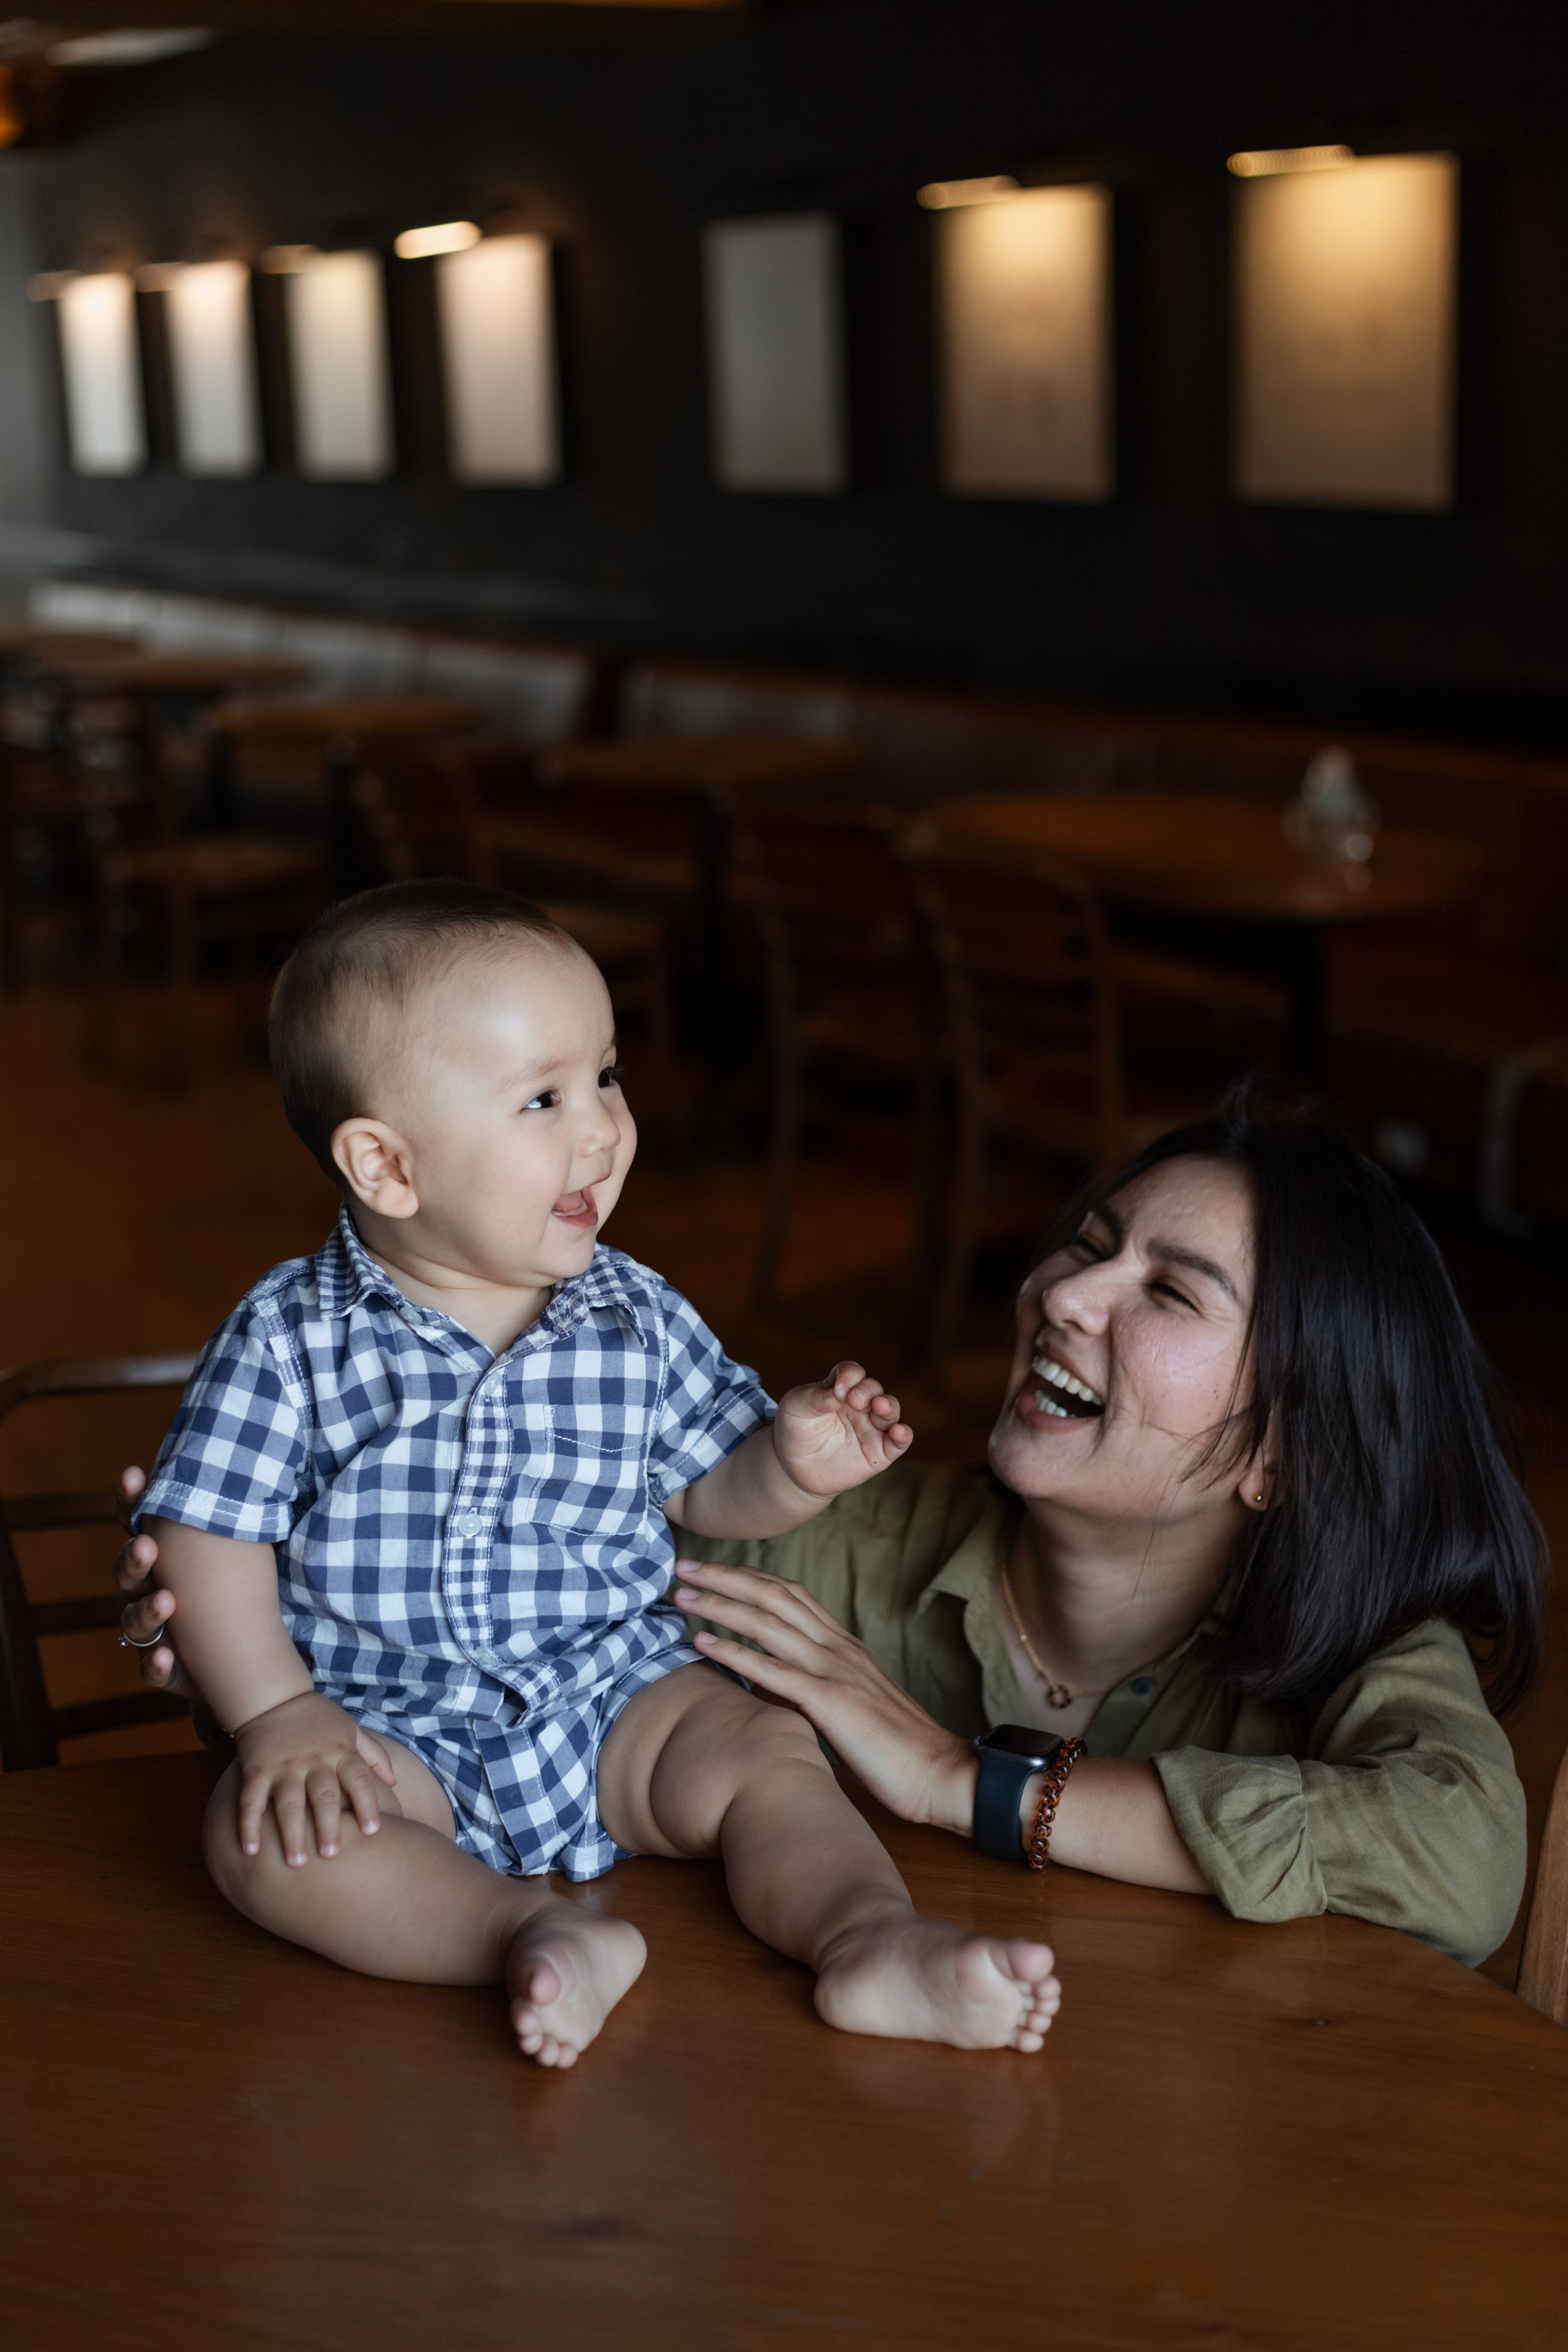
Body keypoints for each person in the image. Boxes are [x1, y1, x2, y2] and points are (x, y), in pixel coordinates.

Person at [121, 1086, 1545, 1968]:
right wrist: (253, 1629)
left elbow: (1463, 1862)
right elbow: (500, 1636)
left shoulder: (1356, 1647)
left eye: (1167, 1294)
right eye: (1089, 1243)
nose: (1062, 1296)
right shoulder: (845, 1543)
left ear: (1283, 1454)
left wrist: (956, 1779)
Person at [129, 880, 1061, 2071]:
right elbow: (206, 1532)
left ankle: (866, 1939)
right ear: (386, 1165)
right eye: (544, 1098)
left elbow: (707, 1497)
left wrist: (790, 1466)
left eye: (607, 1076)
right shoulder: (289, 1338)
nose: (604, 1130)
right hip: (385, 1729)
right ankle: (521, 1934)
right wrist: (277, 1716)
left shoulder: (635, 1314)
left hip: (617, 1702)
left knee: (767, 1751)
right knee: (263, 1834)